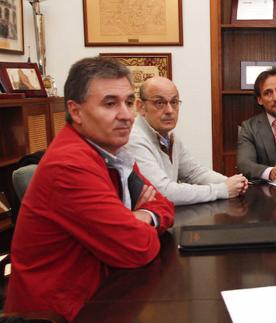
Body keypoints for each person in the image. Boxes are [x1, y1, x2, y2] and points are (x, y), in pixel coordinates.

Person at [5, 57, 175, 321]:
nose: (127, 115)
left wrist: (142, 216)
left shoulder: (111, 150)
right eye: (110, 103)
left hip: (104, 292)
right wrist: (133, 224)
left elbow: (164, 204)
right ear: (76, 111)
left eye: (129, 102)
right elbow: (137, 249)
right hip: (59, 312)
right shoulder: (69, 166)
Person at [127, 76, 248, 206]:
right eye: (159, 103)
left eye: (174, 102)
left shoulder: (170, 138)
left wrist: (233, 182)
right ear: (140, 106)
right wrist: (222, 189)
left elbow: (194, 173)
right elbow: (163, 192)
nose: (169, 110)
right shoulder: (133, 138)